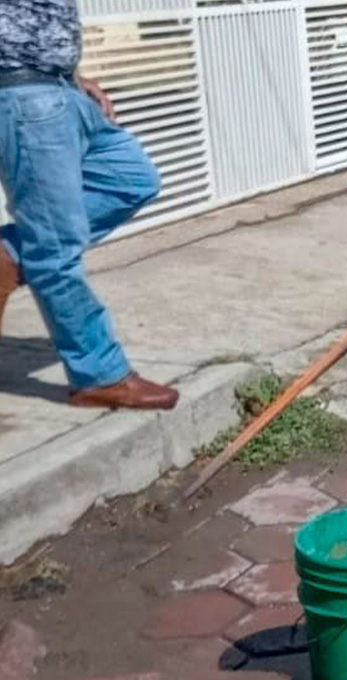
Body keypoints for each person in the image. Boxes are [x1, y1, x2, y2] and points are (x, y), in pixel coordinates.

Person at [0, 0, 179, 409]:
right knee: (55, 253)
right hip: (23, 95)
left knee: (133, 180)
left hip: (62, 87)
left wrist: (75, 76)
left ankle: (10, 251)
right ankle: (99, 375)